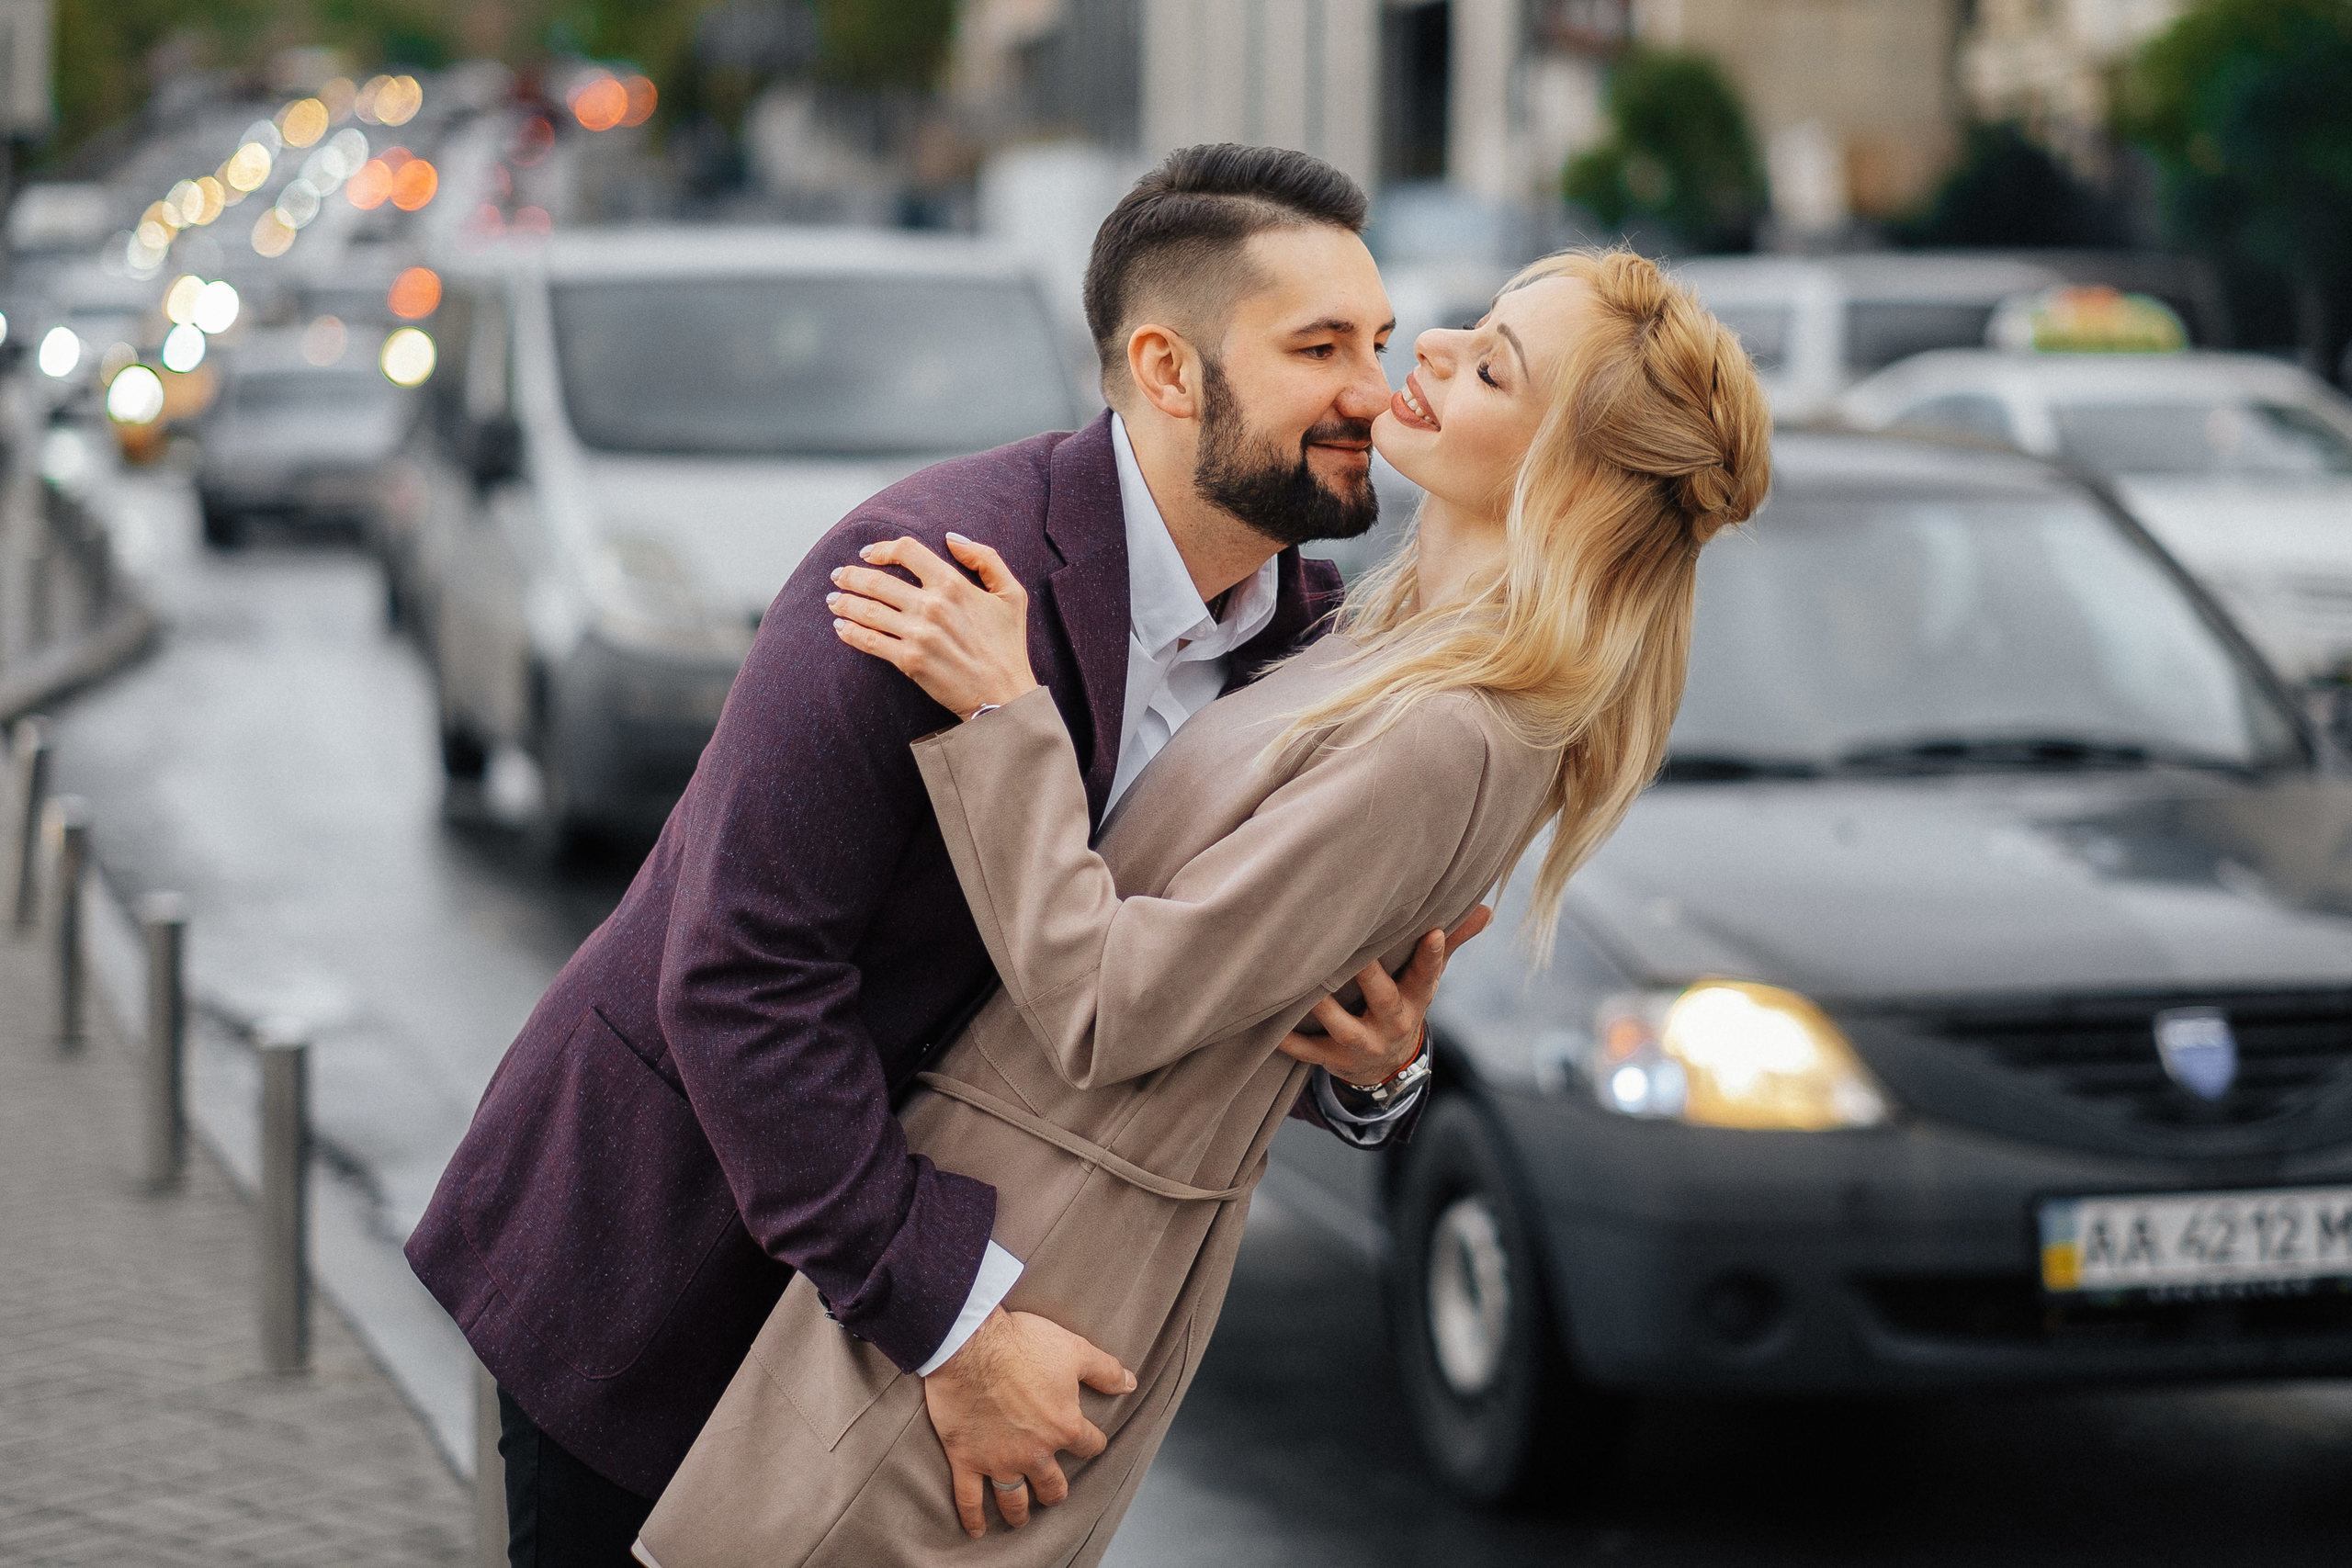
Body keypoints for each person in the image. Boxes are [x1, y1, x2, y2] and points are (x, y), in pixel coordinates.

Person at [405, 144, 1470, 1564]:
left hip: (952, 1299)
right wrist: (955, 1335)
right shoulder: (923, 575)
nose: (1374, 391)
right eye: (1320, 346)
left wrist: (1379, 1071)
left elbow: (1198, 998)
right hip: (673, 1271)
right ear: (1167, 370)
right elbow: (739, 981)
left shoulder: (1308, 652)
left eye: (1381, 341)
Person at [634, 245, 1770, 1566]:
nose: (1435, 350)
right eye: (1469, 325)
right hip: (998, 1210)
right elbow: (1261, 988)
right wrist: (1378, 1069)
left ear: (1563, 476)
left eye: (1493, 364)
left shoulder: (1455, 733)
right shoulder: (1371, 644)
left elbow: (1115, 1004)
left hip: (1035, 1262)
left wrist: (1007, 716)